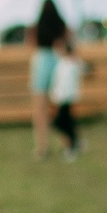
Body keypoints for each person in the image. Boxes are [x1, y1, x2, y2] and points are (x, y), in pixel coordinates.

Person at [28, 0, 67, 159]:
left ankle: (42, 147)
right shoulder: (61, 24)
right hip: (57, 60)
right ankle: (66, 141)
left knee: (40, 109)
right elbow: (66, 42)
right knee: (59, 106)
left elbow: (30, 43)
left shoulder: (36, 26)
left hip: (41, 61)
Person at [46, 25, 84, 158]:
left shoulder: (71, 64)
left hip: (67, 98)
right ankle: (75, 142)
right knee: (65, 122)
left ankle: (71, 146)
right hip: (61, 98)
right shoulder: (62, 64)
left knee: (62, 122)